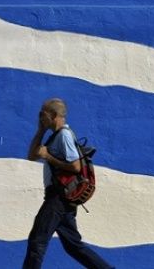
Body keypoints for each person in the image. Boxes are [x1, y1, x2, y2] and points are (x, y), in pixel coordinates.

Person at [22, 98, 113, 269]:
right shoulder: (54, 136)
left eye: (43, 114)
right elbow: (32, 155)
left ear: (54, 115)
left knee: (37, 240)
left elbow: (75, 166)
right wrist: (40, 130)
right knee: (73, 246)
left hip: (58, 197)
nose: (40, 116)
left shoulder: (64, 135)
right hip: (62, 198)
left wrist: (48, 157)